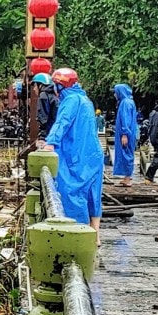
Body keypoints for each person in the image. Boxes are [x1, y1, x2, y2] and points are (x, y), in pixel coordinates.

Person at [41, 67, 104, 229]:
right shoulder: (85, 100)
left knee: (72, 192)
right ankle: (95, 234)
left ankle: (80, 231)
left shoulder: (70, 100)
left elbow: (63, 122)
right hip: (92, 154)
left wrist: (50, 143)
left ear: (60, 85)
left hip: (76, 155)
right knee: (93, 195)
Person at [111, 83, 138, 185]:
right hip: (128, 132)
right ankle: (127, 177)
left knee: (126, 154)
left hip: (126, 133)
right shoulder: (129, 102)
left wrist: (124, 134)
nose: (115, 95)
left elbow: (125, 119)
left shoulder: (125, 103)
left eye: (116, 92)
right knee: (127, 153)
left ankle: (127, 178)